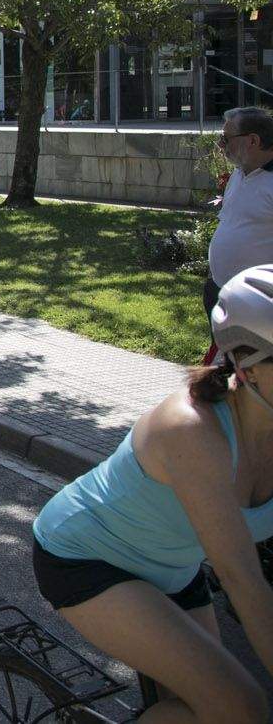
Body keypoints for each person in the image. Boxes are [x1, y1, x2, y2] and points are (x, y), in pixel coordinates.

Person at [29, 264, 273, 724]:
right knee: (242, 708)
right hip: (85, 557)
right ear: (249, 365)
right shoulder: (191, 429)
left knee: (207, 708)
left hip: (172, 569)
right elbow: (242, 579)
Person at [206, 107, 273, 327]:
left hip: (257, 302)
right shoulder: (239, 172)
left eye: (226, 139)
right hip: (220, 289)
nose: (220, 145)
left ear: (253, 140)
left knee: (255, 361)